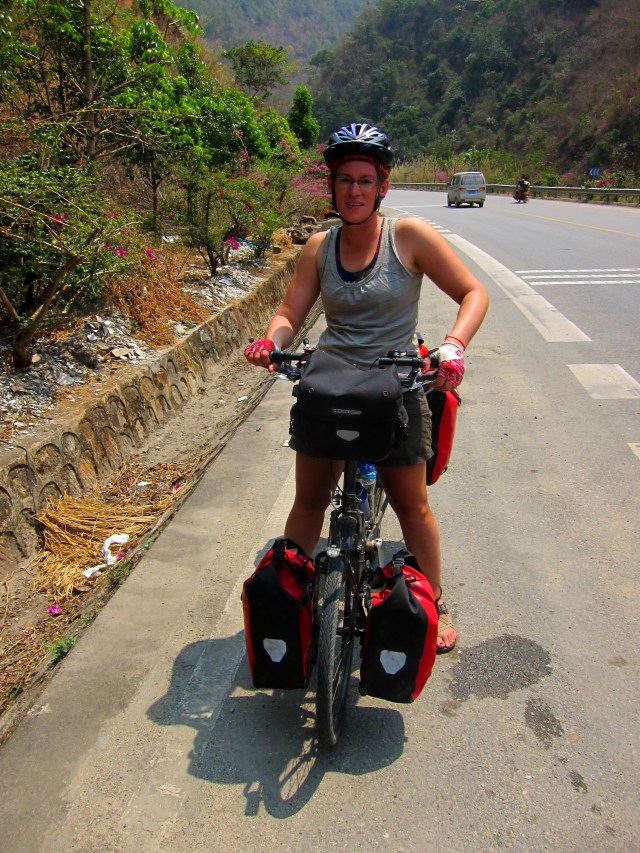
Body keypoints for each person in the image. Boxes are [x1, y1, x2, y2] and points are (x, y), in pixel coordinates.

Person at [244, 122, 489, 652]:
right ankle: (289, 596)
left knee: (412, 506)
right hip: (330, 385)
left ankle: (435, 599)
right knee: (309, 501)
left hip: (397, 385)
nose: (354, 191)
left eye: (365, 180)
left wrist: (453, 344)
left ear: (382, 185)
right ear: (331, 186)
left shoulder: (409, 238)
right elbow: (290, 311)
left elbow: (473, 292)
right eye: (344, 180)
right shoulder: (318, 247)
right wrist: (271, 341)